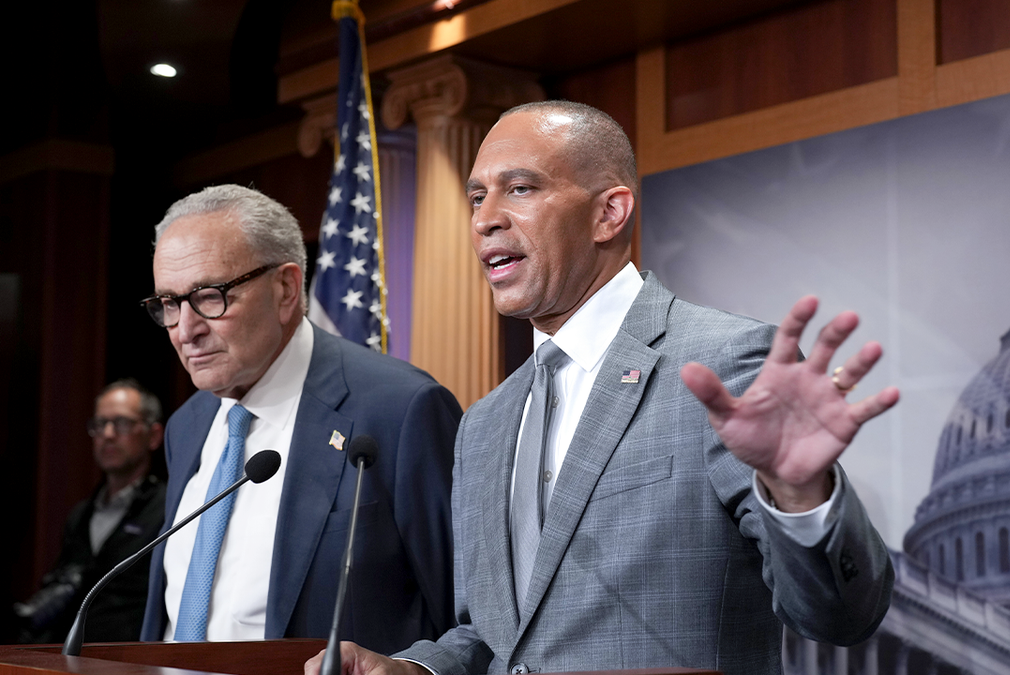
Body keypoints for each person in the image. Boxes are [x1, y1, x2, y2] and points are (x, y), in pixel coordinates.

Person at [310, 101, 899, 675]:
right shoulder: (484, 423)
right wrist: (417, 668)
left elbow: (841, 618)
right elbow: (495, 639)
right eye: (478, 196)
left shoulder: (724, 363)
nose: (485, 218)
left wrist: (799, 493)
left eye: (520, 188)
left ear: (609, 214)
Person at [137, 185, 462, 655]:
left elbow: (468, 621)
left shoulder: (400, 411)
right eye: (169, 304)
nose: (186, 330)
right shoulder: (187, 424)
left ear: (286, 289)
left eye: (209, 296)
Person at [14, 380, 166, 643]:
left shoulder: (169, 507)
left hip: (134, 657)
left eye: (122, 423)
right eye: (100, 424)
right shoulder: (80, 515)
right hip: (71, 654)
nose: (108, 434)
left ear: (153, 435)